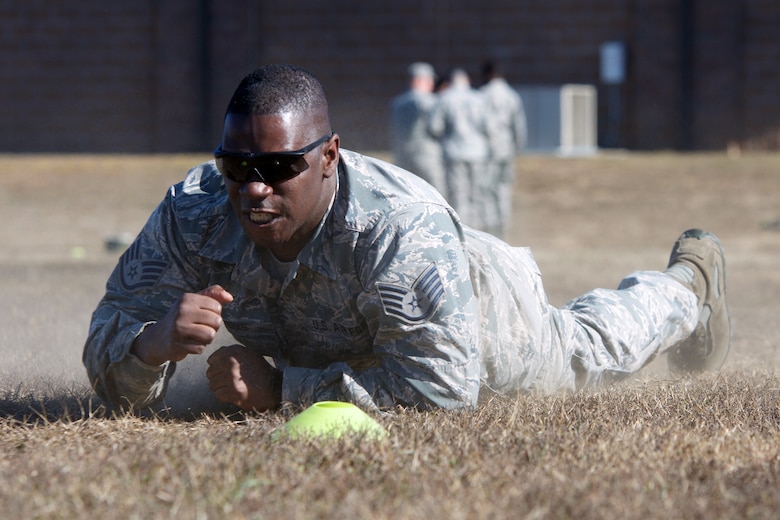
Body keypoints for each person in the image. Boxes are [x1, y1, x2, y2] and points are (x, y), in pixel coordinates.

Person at [83, 64, 731, 414]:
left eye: (280, 168)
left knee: (585, 350)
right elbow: (108, 331)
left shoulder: (397, 231)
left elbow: (443, 389)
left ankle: (687, 288)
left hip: (478, 309)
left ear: (329, 156)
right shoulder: (195, 212)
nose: (254, 189)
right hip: (355, 340)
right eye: (237, 168)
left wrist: (285, 390)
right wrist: (151, 345)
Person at [428, 68, 491, 231]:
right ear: (467, 81)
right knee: (477, 192)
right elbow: (489, 126)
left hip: (454, 152)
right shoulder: (479, 98)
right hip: (478, 152)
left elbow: (434, 127)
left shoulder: (444, 98)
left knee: (458, 194)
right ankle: (479, 228)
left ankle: (463, 229)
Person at [480, 60, 527, 239]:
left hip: (487, 150)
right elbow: (519, 125)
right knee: (503, 189)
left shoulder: (482, 95)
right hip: (506, 148)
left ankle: (490, 229)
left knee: (486, 189)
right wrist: (517, 146)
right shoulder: (511, 95)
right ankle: (504, 226)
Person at [388, 62, 447, 195]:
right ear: (420, 80)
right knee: (435, 195)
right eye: (430, 80)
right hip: (428, 156)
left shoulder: (397, 103)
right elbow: (436, 129)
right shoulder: (431, 101)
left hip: (402, 157)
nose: (432, 84)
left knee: (407, 195)